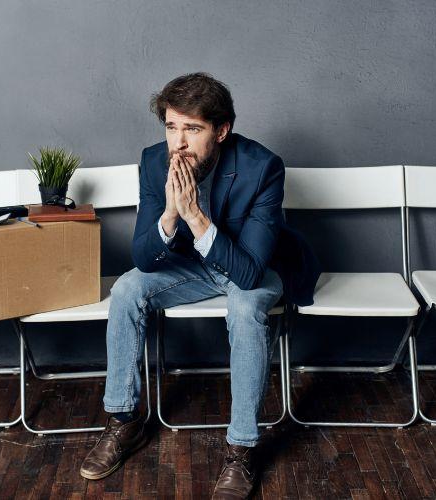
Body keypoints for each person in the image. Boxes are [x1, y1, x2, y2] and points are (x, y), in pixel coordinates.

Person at [79, 73, 319, 499]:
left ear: (221, 130)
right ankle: (124, 422)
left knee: (244, 308)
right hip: (192, 266)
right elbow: (143, 258)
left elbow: (248, 273)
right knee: (127, 289)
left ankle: (241, 449)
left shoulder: (262, 167)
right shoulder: (155, 161)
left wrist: (195, 216)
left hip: (253, 265)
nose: (179, 142)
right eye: (172, 127)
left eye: (193, 129)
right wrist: (171, 215)